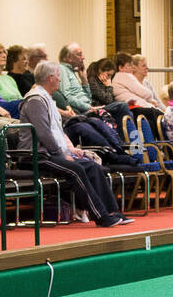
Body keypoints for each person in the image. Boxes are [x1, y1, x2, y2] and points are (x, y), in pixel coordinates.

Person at [17, 61, 134, 228]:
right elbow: (43, 133)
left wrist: (70, 149)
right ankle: (101, 216)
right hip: (35, 155)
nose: (59, 80)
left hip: (50, 153)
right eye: (58, 76)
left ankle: (112, 211)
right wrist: (61, 153)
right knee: (76, 170)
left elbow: (57, 130)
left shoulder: (47, 98)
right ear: (50, 78)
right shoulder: (35, 100)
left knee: (92, 166)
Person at [56, 43, 92, 114]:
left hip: (87, 108)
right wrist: (88, 107)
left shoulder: (71, 71)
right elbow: (67, 96)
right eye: (79, 54)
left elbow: (88, 99)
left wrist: (84, 80)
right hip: (81, 111)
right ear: (69, 57)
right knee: (119, 106)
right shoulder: (62, 69)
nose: (83, 57)